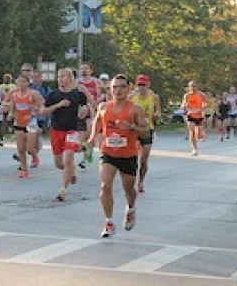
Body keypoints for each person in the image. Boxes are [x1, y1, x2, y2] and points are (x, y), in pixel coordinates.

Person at [87, 74, 149, 238]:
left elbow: (146, 131)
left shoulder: (135, 109)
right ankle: (109, 222)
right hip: (108, 152)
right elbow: (97, 121)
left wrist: (131, 127)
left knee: (128, 188)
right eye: (114, 87)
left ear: (128, 89)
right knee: (105, 185)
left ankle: (131, 208)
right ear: (110, 89)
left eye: (121, 86)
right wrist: (93, 136)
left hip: (128, 154)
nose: (118, 90)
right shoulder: (103, 107)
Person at [41, 68, 90, 201]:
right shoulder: (53, 95)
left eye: (63, 76)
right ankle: (71, 171)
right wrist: (58, 105)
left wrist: (86, 109)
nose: (60, 79)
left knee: (68, 157)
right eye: (58, 77)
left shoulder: (78, 94)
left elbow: (88, 106)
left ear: (70, 79)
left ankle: (63, 190)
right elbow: (43, 111)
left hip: (72, 130)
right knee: (59, 164)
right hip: (57, 130)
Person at [6, 73, 44, 178]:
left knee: (29, 148)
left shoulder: (33, 94)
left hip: (31, 123)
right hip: (19, 122)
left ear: (28, 83)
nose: (21, 84)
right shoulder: (14, 95)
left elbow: (42, 106)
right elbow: (12, 109)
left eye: (24, 81)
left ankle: (34, 156)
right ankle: (24, 169)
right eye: (19, 81)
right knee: (20, 148)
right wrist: (10, 114)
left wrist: (33, 113)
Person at [129, 74, 161, 194]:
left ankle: (141, 181)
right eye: (139, 85)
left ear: (148, 85)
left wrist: (157, 114)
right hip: (134, 129)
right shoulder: (132, 96)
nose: (141, 87)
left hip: (148, 129)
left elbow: (158, 110)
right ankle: (131, 181)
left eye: (143, 85)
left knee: (144, 159)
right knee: (132, 158)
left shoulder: (154, 97)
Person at [181, 80, 208, 156]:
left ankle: (202, 133)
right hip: (190, 115)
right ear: (189, 87)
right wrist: (183, 106)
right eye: (191, 86)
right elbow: (183, 103)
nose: (193, 88)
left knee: (198, 135)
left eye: (194, 86)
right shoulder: (187, 95)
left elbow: (207, 103)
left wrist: (201, 108)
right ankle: (194, 149)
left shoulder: (201, 95)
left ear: (197, 87)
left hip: (199, 115)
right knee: (191, 131)